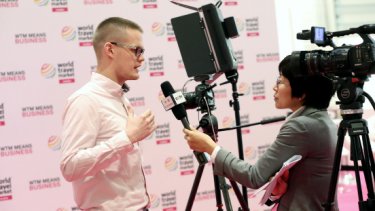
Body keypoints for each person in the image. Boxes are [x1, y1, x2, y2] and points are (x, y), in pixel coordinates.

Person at [183, 54, 339, 210]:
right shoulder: (320, 121)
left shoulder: (301, 126)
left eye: (281, 81)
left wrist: (210, 147)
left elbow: (254, 176)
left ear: (302, 94)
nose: (274, 87)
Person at [60, 17, 156, 211]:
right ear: (110, 50)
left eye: (142, 51)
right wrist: (127, 138)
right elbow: (69, 167)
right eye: (136, 50)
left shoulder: (120, 96)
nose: (142, 58)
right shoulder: (86, 100)